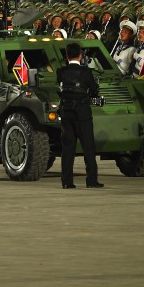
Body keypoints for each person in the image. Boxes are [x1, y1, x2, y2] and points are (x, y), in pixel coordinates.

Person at [57, 42, 103, 189]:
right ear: (80, 55)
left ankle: (67, 182)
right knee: (88, 147)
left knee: (68, 149)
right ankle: (91, 181)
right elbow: (94, 89)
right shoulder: (86, 72)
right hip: (82, 114)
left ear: (66, 56)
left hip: (66, 113)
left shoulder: (61, 71)